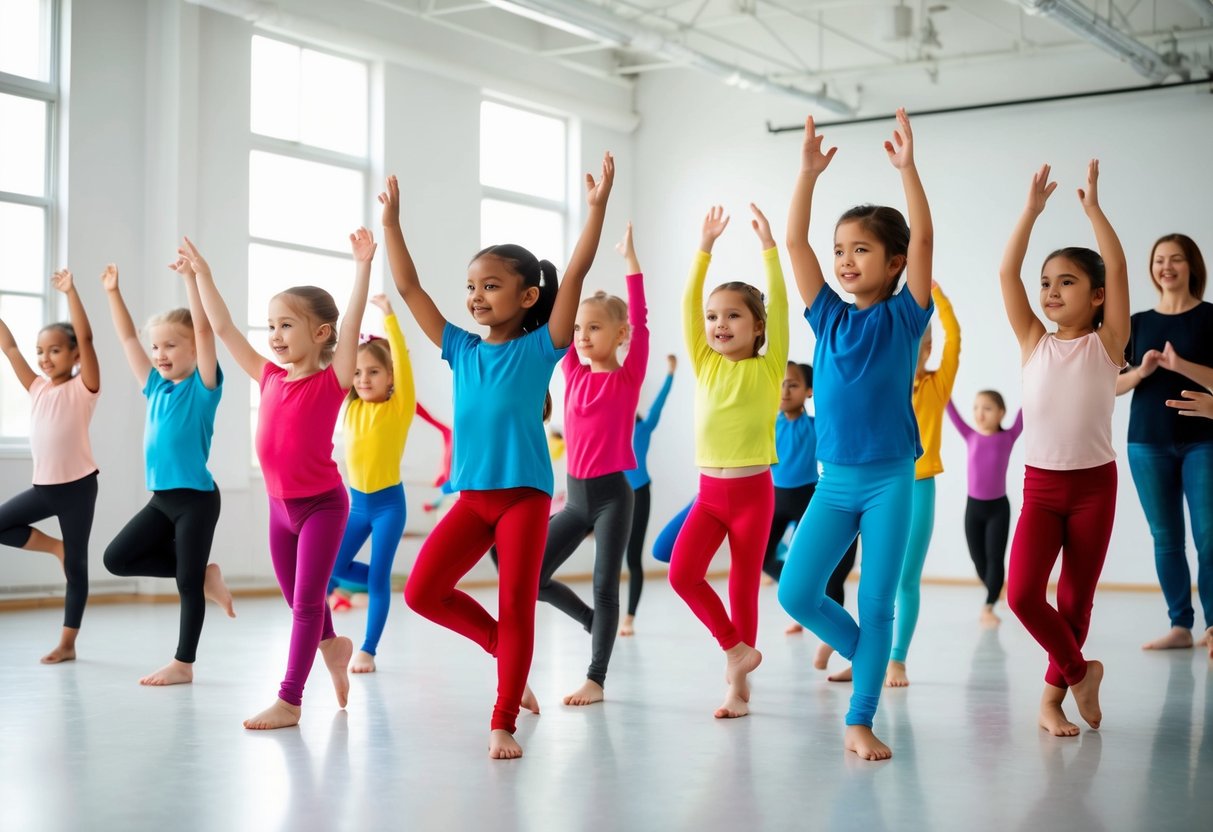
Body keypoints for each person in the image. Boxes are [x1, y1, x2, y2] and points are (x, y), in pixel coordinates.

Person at [390, 153, 615, 759]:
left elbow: (574, 275)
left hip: (523, 498)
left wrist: (594, 211)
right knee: (421, 592)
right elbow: (410, 288)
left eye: (491, 286)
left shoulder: (544, 346)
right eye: (471, 287)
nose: (476, 296)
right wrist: (392, 226)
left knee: (517, 603)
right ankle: (503, 649)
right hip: (473, 497)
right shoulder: (460, 348)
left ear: (527, 294)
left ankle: (503, 720)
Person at [778, 109, 934, 762]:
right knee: (794, 590)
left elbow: (925, 239)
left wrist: (907, 172)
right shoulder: (827, 320)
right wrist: (806, 174)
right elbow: (794, 245)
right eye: (840, 250)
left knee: (877, 599)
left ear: (894, 262)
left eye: (859, 249)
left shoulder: (904, 316)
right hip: (832, 480)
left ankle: (860, 716)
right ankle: (864, 649)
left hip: (889, 478)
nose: (843, 260)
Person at [185, 229, 374, 730]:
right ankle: (334, 648)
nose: (274, 334)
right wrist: (202, 275)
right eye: (271, 324)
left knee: (306, 604)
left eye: (286, 324)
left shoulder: (333, 380)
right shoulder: (269, 376)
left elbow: (352, 323)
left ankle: (290, 700)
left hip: (322, 507)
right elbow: (223, 329)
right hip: (278, 507)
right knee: (296, 598)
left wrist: (362, 267)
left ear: (321, 333)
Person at [999, 160, 1129, 738]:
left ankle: (1051, 702)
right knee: (1024, 594)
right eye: (1047, 283)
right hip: (1042, 488)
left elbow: (1120, 268)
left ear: (1099, 296)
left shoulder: (1109, 343)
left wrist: (1094, 211)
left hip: (1093, 488)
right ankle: (1082, 673)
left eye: (1067, 282)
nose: (1050, 292)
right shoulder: (1034, 342)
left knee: (1076, 603)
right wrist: (1029, 211)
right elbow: (1008, 273)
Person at [670, 202, 788, 720]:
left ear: (759, 328)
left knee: (743, 585)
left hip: (752, 492)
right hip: (710, 493)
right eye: (714, 317)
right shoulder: (704, 362)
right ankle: (735, 649)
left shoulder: (770, 367)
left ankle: (738, 691)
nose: (719, 324)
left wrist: (769, 249)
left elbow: (781, 303)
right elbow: (687, 305)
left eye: (733, 315)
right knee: (682, 573)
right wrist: (703, 249)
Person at [100, 259, 234, 686]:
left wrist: (192, 282)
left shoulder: (204, 389)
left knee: (186, 586)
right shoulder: (155, 387)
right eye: (156, 347)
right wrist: (112, 294)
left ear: (192, 351)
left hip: (196, 499)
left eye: (170, 346)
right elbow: (125, 337)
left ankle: (183, 664)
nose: (159, 354)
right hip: (162, 500)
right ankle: (202, 572)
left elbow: (205, 330)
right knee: (116, 558)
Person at [535, 221, 649, 706]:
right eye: (579, 328)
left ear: (619, 334)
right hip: (576, 498)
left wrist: (630, 263)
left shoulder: (627, 377)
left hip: (611, 497)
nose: (581, 336)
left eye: (594, 328)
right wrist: (557, 285)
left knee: (606, 583)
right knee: (533, 577)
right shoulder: (573, 371)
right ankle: (589, 621)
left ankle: (596, 678)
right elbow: (559, 323)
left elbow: (641, 321)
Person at [1115, 233, 1213, 655]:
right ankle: (1180, 625)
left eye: (1176, 259)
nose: (1166, 266)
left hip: (1203, 441)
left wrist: (1180, 365)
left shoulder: (1210, 318)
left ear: (1192, 265)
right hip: (1147, 442)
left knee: (1209, 535)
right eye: (1159, 259)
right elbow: (1111, 384)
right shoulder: (1137, 323)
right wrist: (1142, 371)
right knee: (1166, 537)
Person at [0, 269, 101, 664]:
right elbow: (10, 350)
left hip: (78, 486)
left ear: (75, 355)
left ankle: (67, 642)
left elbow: (88, 337)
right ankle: (55, 547)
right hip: (45, 486)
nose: (44, 358)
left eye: (55, 350)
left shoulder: (84, 386)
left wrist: (72, 290)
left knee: (77, 567)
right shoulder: (38, 387)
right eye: (41, 351)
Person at [329, 294, 416, 673]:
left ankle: (368, 649)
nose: (364, 379)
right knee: (333, 566)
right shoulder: (350, 405)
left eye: (374, 372)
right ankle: (391, 579)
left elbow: (402, 359)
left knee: (376, 578)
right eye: (359, 372)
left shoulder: (398, 408)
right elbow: (338, 363)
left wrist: (390, 319)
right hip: (356, 505)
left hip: (387, 506)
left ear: (390, 376)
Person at [887, 280, 960, 687]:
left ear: (926, 349)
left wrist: (937, 296)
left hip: (918, 486)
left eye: (915, 342)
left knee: (905, 578)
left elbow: (956, 338)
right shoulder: (885, 384)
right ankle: (870, 654)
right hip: (883, 486)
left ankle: (897, 658)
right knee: (878, 578)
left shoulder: (936, 386)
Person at [945, 391, 1023, 627]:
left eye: (987, 408)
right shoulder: (970, 435)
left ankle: (988, 607)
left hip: (998, 509)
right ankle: (996, 588)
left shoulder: (1009, 436)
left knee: (995, 558)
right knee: (978, 561)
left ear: (1001, 413)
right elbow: (950, 409)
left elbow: (1025, 409)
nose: (980, 413)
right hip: (974, 509)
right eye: (977, 407)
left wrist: (1030, 381)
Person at [620, 352, 676, 637]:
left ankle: (629, 617)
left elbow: (659, 405)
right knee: (608, 559)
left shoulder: (643, 428)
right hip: (613, 495)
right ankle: (603, 617)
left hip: (639, 493)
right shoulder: (610, 428)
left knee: (633, 557)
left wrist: (670, 374)